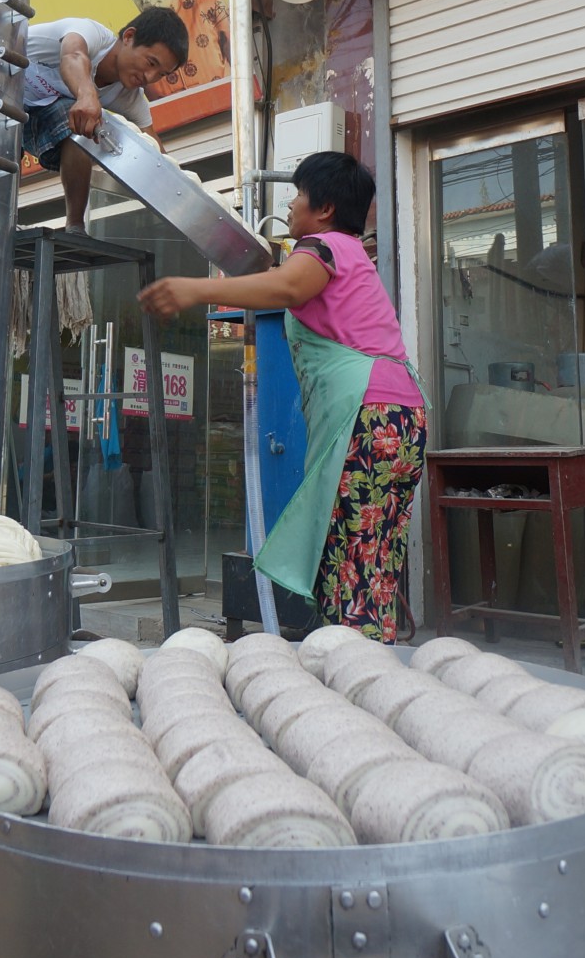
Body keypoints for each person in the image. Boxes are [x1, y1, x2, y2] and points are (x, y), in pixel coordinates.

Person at [139, 151, 424, 638]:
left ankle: (354, 676)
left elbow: (288, 288)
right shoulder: (355, 253)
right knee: (371, 560)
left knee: (347, 563)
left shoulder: (322, 246)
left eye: (298, 194)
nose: (291, 205)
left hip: (367, 417)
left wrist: (195, 288)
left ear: (326, 206)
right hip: (403, 418)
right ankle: (378, 665)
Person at [23, 7, 187, 232]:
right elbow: (73, 55)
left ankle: (75, 227)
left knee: (90, 127)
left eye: (160, 74)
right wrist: (87, 94)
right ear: (129, 37)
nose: (150, 78)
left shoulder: (130, 98)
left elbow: (156, 152)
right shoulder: (91, 34)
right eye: (151, 63)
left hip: (29, 119)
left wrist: (184, 194)